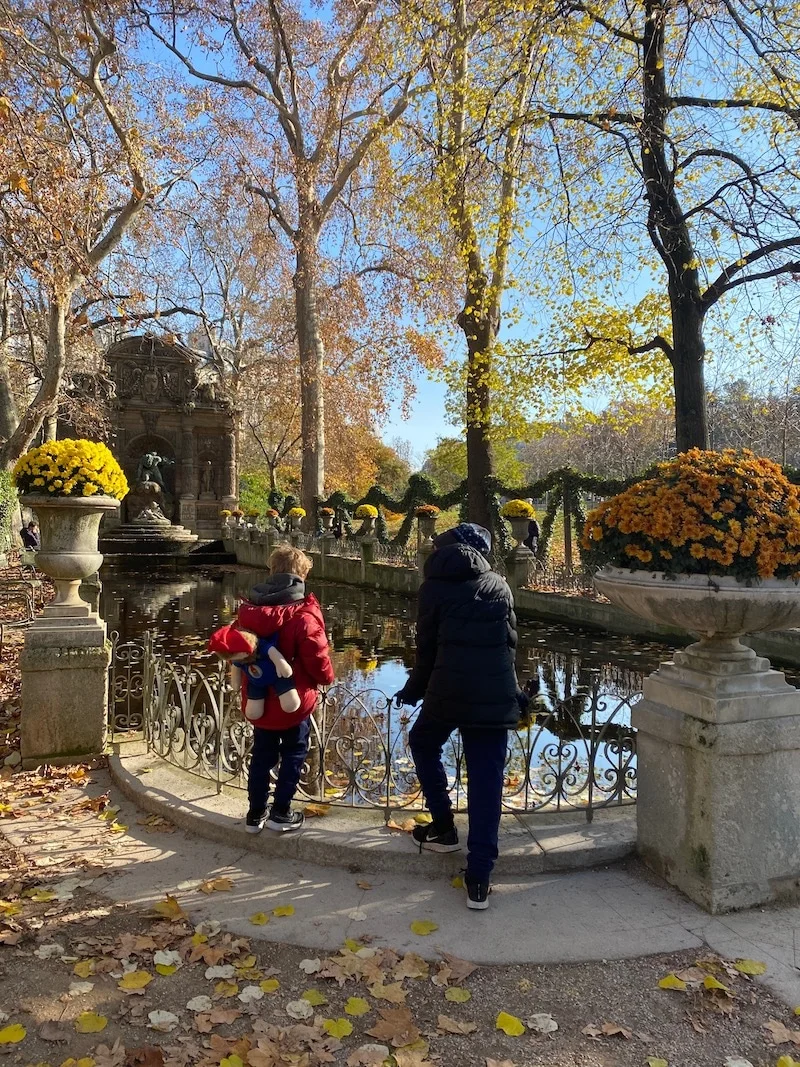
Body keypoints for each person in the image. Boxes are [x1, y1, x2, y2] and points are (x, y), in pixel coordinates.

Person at [394, 522, 528, 911]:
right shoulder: (500, 586)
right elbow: (509, 646)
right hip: (493, 693)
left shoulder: (433, 586)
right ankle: (479, 878)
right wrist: (516, 693)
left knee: (423, 742)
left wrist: (413, 690)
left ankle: (444, 827)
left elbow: (427, 650)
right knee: (487, 780)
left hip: (448, 691)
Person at [233, 544, 334, 833]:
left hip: (259, 698)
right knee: (294, 751)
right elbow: (318, 658)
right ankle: (281, 812)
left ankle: (255, 814)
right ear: (302, 575)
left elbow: (237, 648)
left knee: (262, 753)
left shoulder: (249, 610)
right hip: (292, 701)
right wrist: (326, 679)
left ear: (272, 571)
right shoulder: (303, 614)